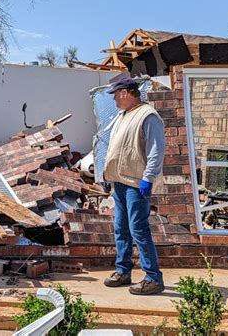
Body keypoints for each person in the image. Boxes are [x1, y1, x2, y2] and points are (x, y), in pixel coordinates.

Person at [102, 78, 165, 295]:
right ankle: (123, 271)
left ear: (127, 93)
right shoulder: (123, 116)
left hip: (137, 183)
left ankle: (153, 278)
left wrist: (148, 177)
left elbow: (156, 150)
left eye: (116, 93)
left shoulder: (148, 115)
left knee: (138, 229)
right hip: (120, 181)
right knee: (121, 228)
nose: (114, 97)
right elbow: (116, 148)